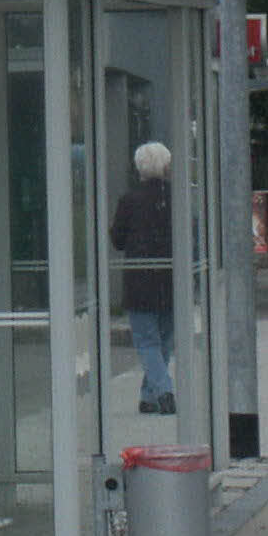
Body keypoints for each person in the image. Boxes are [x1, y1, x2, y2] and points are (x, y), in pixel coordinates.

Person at [108, 142, 176, 415]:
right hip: (171, 281)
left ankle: (162, 391)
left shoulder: (129, 200)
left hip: (139, 282)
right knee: (164, 340)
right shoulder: (176, 198)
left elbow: (118, 241)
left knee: (148, 342)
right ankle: (150, 396)